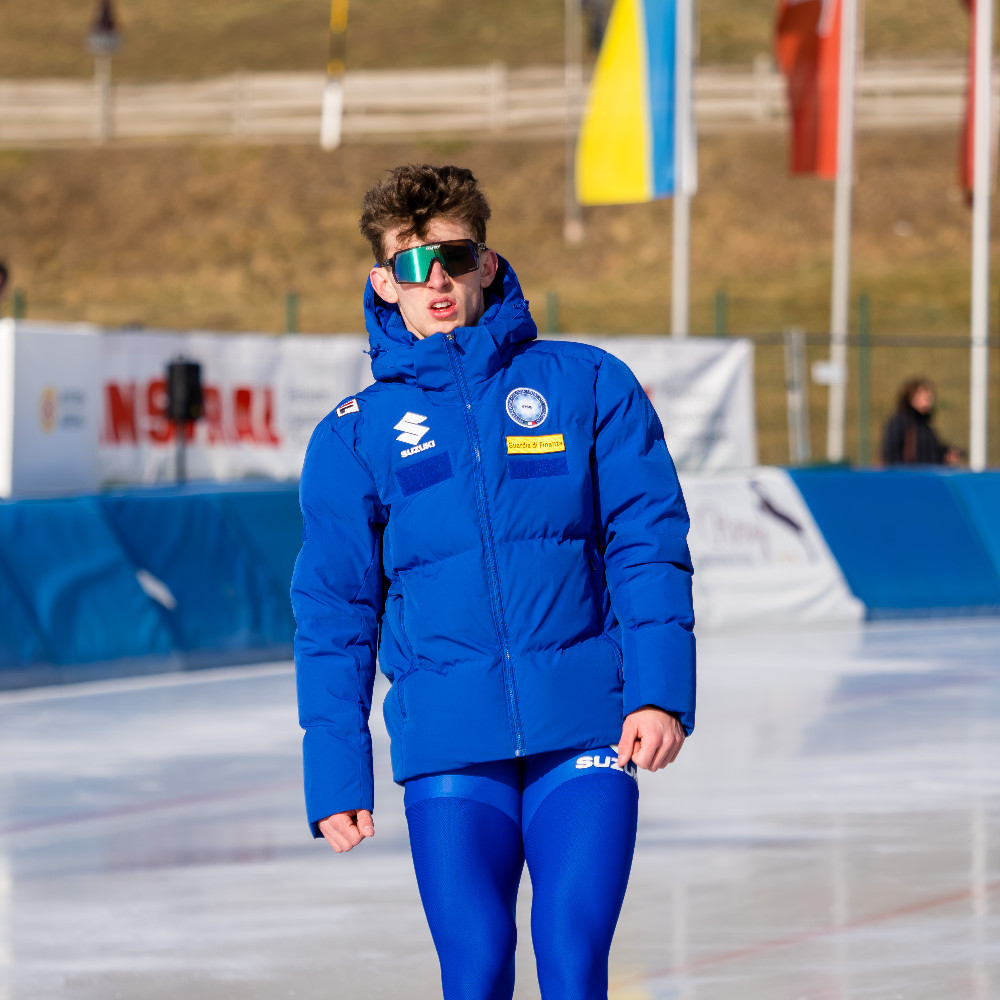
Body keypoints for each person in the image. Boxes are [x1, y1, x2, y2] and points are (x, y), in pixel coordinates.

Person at [291, 163, 695, 1000]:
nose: (435, 280)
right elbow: (335, 613)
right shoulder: (354, 437)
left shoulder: (588, 384)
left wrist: (658, 693)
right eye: (411, 263)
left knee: (572, 955)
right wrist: (336, 769)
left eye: (453, 257)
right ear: (383, 281)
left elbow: (646, 545)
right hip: (448, 743)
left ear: (488, 262)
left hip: (584, 730)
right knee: (474, 969)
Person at [882, 377, 962, 466]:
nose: (929, 399)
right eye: (925, 396)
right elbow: (891, 454)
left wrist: (945, 455)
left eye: (930, 396)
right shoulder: (900, 422)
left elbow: (930, 455)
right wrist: (904, 472)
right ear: (911, 398)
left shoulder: (925, 426)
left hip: (928, 473)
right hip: (910, 474)